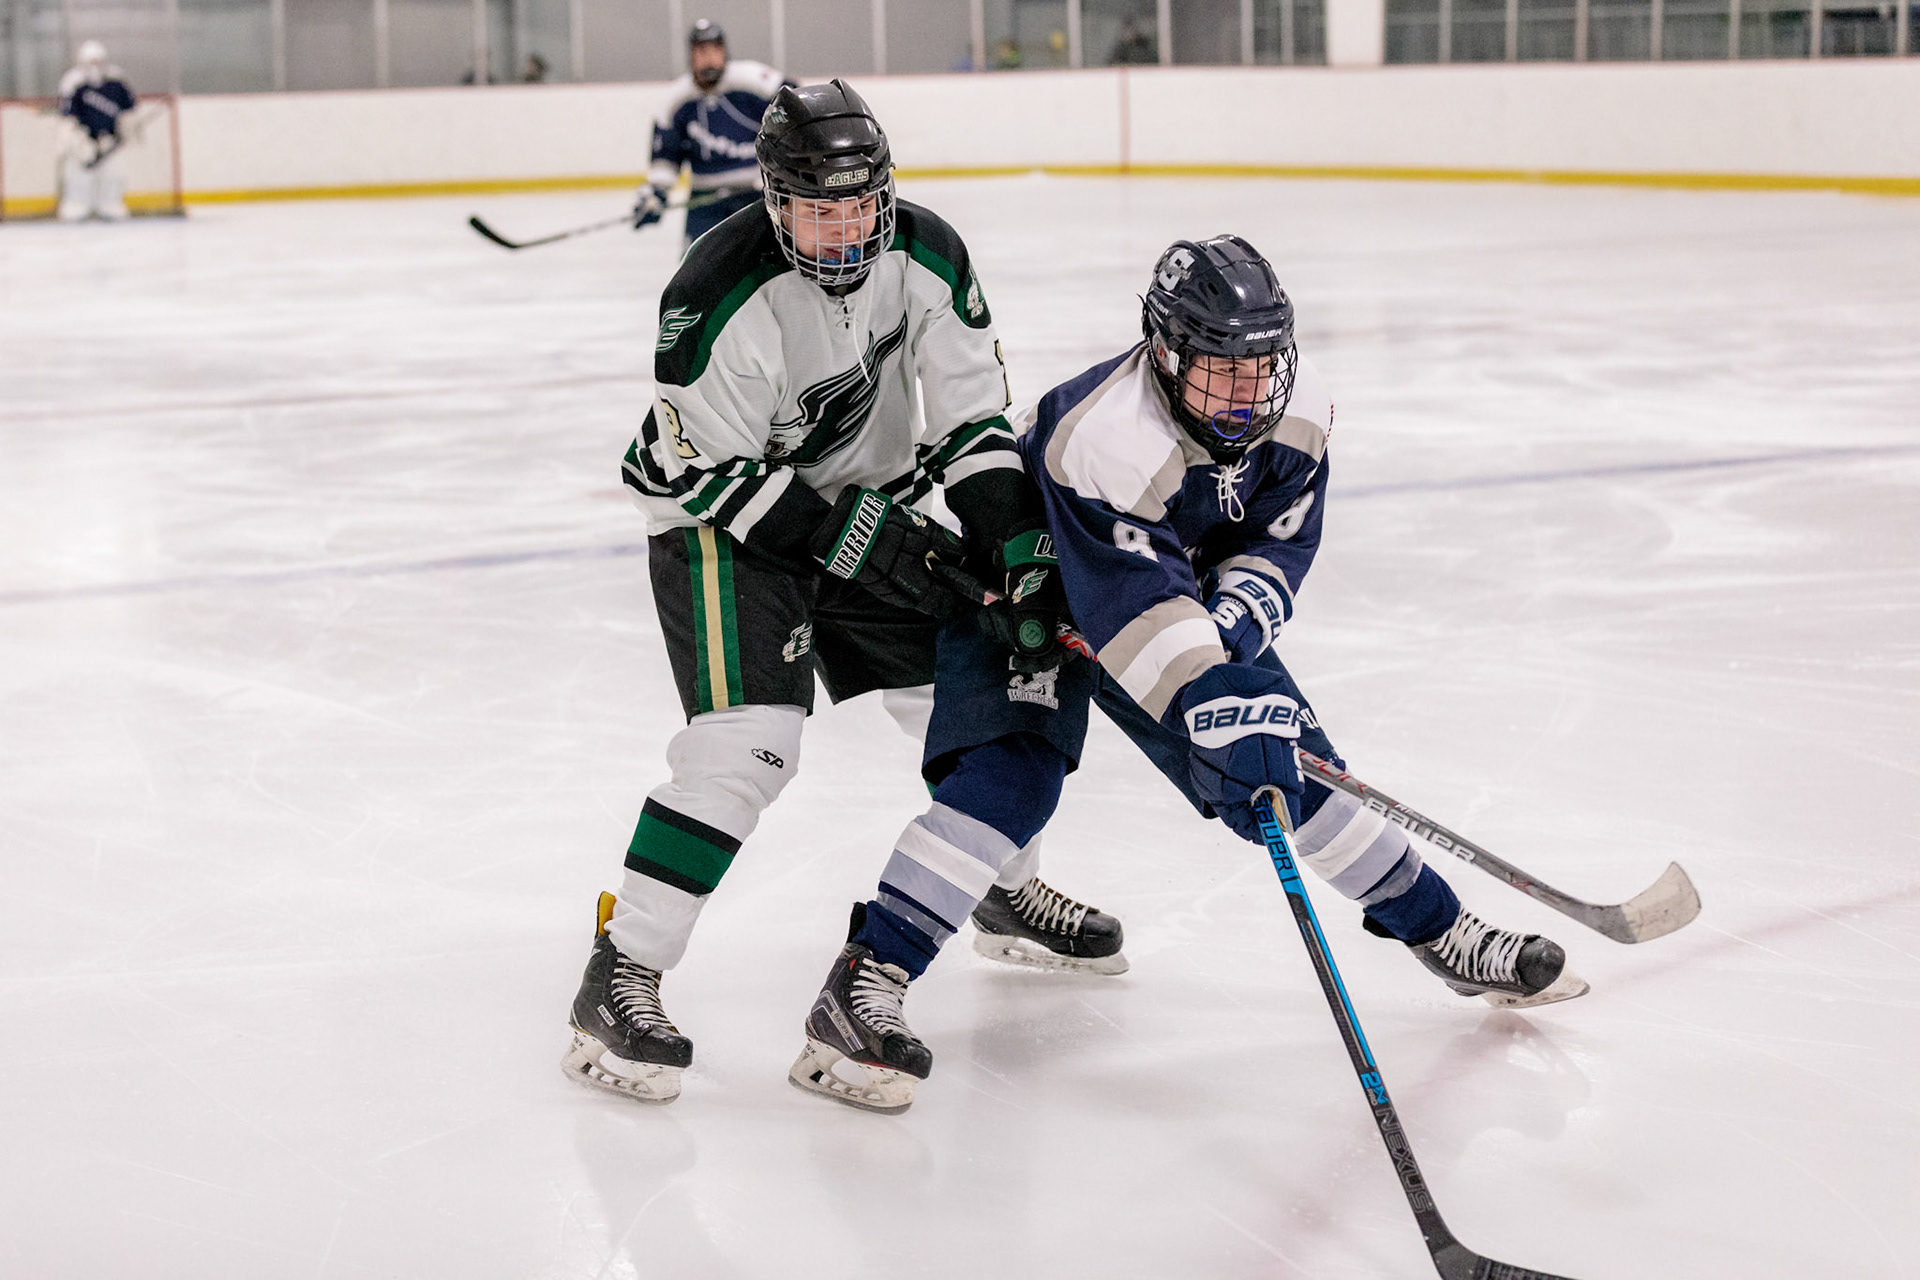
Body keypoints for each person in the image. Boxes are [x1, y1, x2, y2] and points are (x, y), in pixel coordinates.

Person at [790, 234, 1587, 1114]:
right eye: (1223, 369)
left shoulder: (1300, 412)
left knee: (1297, 769)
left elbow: (1275, 548)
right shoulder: (1105, 437)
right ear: (1166, 355)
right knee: (1009, 783)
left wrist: (1228, 643)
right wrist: (1211, 696)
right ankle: (863, 984)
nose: (1249, 390)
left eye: (1263, 366)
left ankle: (1444, 931)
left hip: (1172, 603)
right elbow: (1134, 610)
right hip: (1031, 594)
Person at [565, 78, 1122, 1106]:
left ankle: (1003, 891)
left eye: (861, 205)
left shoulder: (930, 254)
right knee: (750, 745)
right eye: (818, 209)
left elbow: (970, 422)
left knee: (987, 698)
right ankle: (622, 969)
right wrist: (861, 540)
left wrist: (1015, 551)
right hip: (721, 526)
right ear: (775, 201)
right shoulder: (714, 294)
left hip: (872, 503)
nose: (844, 229)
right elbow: (711, 473)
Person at [633, 20, 792, 248]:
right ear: (691, 56)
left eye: (715, 50)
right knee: (696, 263)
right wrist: (655, 193)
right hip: (704, 200)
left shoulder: (754, 82)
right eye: (701, 51)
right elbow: (666, 156)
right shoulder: (676, 100)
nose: (709, 58)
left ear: (724, 52)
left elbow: (795, 110)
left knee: (766, 259)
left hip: (756, 194)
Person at [56, 40, 136, 222]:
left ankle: (111, 204)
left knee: (113, 174)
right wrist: (75, 140)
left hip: (110, 139)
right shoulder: (73, 81)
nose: (95, 66)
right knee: (78, 174)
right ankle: (76, 205)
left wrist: (124, 133)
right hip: (83, 140)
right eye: (90, 62)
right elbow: (67, 115)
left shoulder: (116, 80)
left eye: (98, 61)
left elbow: (128, 110)